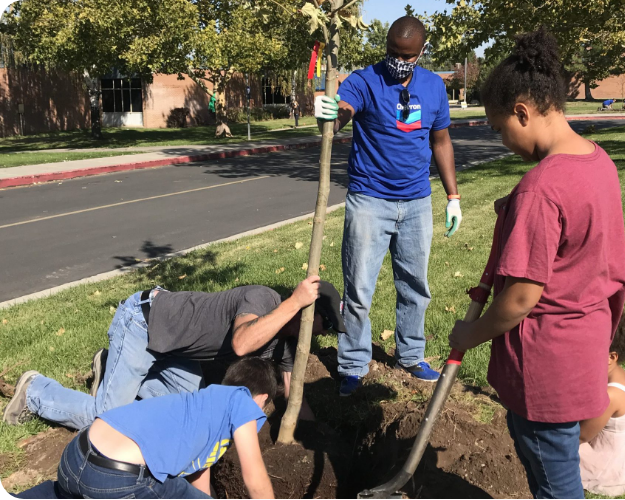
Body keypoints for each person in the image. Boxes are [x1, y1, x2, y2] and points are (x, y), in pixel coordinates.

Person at [448, 28, 625, 499]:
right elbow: (575, 229)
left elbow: (522, 297)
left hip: (545, 370)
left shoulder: (541, 187)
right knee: (555, 467)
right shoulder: (597, 161)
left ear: (522, 112)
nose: (502, 140)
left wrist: (471, 333)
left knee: (553, 483)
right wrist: (520, 209)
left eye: (498, 127)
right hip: (584, 351)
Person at [314, 16, 462, 396]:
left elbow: (441, 141)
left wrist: (453, 196)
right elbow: (344, 110)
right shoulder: (365, 80)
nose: (398, 61)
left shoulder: (432, 87)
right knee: (359, 287)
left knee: (415, 285)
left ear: (420, 53)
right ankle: (352, 364)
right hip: (369, 200)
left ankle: (411, 354)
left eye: (406, 56)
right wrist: (332, 115)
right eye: (393, 53)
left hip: (416, 202)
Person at [3, 277, 346, 430]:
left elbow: (292, 389)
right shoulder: (264, 298)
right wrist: (293, 302)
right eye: (325, 323)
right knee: (108, 421)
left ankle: (111, 365)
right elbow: (242, 343)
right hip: (144, 324)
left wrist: (311, 435)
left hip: (177, 352)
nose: (324, 332)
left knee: (183, 414)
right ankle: (35, 391)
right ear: (307, 309)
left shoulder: (288, 344)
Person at [13, 358, 278, 499]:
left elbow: (198, 477)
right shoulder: (241, 400)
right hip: (115, 477)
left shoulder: (202, 409)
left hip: (74, 460)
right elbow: (255, 480)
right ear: (262, 399)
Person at [579, 312, 625, 496]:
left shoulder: (611, 395)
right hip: (622, 456)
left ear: (611, 357)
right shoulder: (618, 375)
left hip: (608, 467)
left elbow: (581, 436)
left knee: (553, 441)